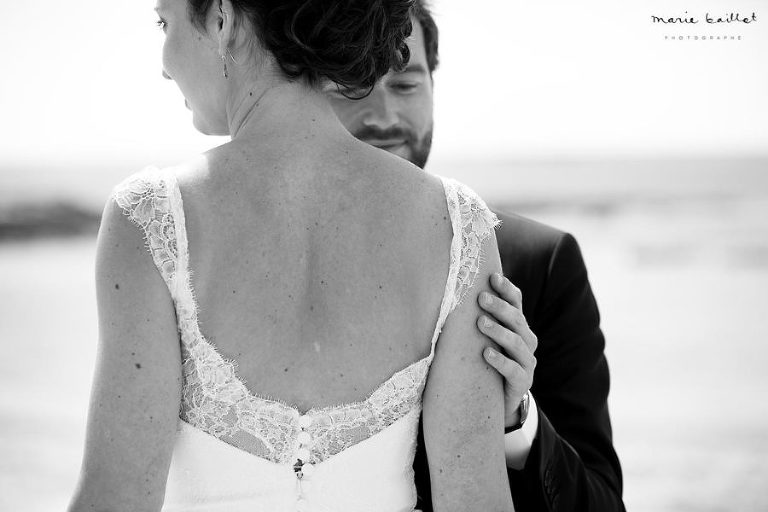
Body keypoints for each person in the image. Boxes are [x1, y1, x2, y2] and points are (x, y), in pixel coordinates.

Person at [68, 1, 516, 511]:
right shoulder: (459, 227)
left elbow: (113, 500)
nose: (164, 63)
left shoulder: (150, 218)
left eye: (164, 23)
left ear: (221, 17)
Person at [325, 2, 625, 510]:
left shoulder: (538, 264)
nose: (384, 116)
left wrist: (515, 423)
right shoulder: (223, 263)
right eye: (352, 85)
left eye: (405, 84)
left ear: (434, 88)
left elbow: (602, 504)